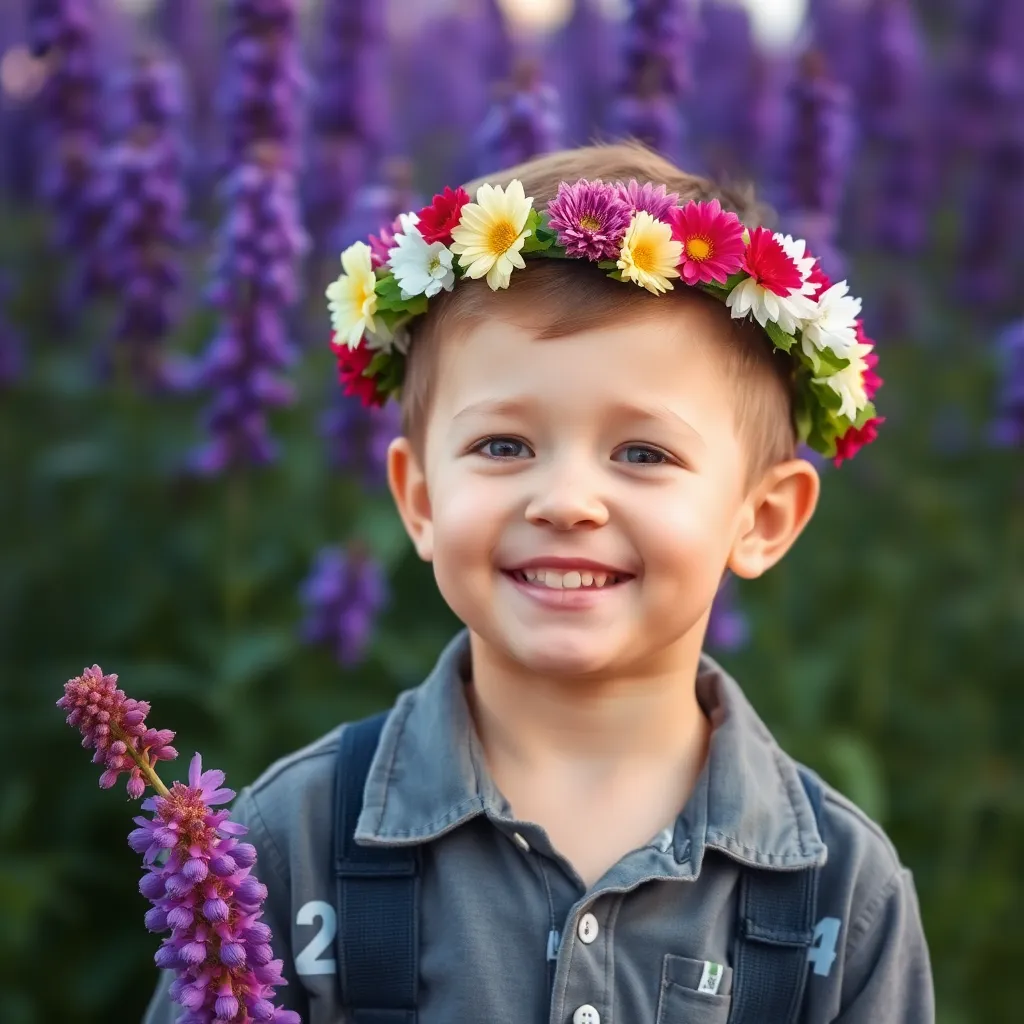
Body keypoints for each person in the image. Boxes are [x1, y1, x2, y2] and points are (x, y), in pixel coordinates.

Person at [143, 142, 932, 1023]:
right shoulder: (285, 845)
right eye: (504, 446)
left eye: (643, 453)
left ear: (764, 519)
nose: (564, 502)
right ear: (419, 499)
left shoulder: (841, 896)